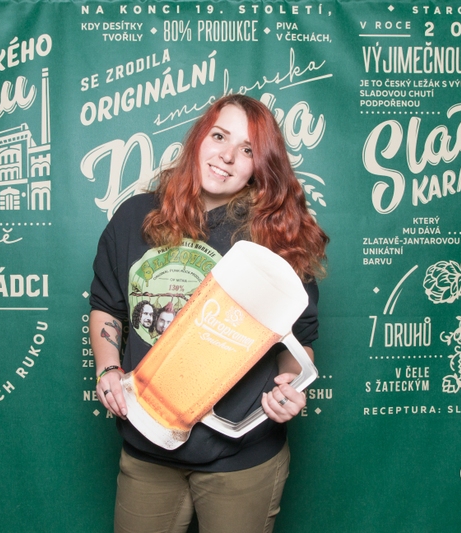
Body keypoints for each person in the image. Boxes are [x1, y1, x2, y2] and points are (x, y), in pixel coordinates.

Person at [89, 94, 329, 533]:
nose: (227, 156)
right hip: (148, 445)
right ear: (200, 138)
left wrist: (290, 386)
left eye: (247, 149)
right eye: (219, 136)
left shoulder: (277, 238)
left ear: (261, 166)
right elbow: (107, 306)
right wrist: (107, 369)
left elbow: (299, 341)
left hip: (242, 458)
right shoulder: (135, 216)